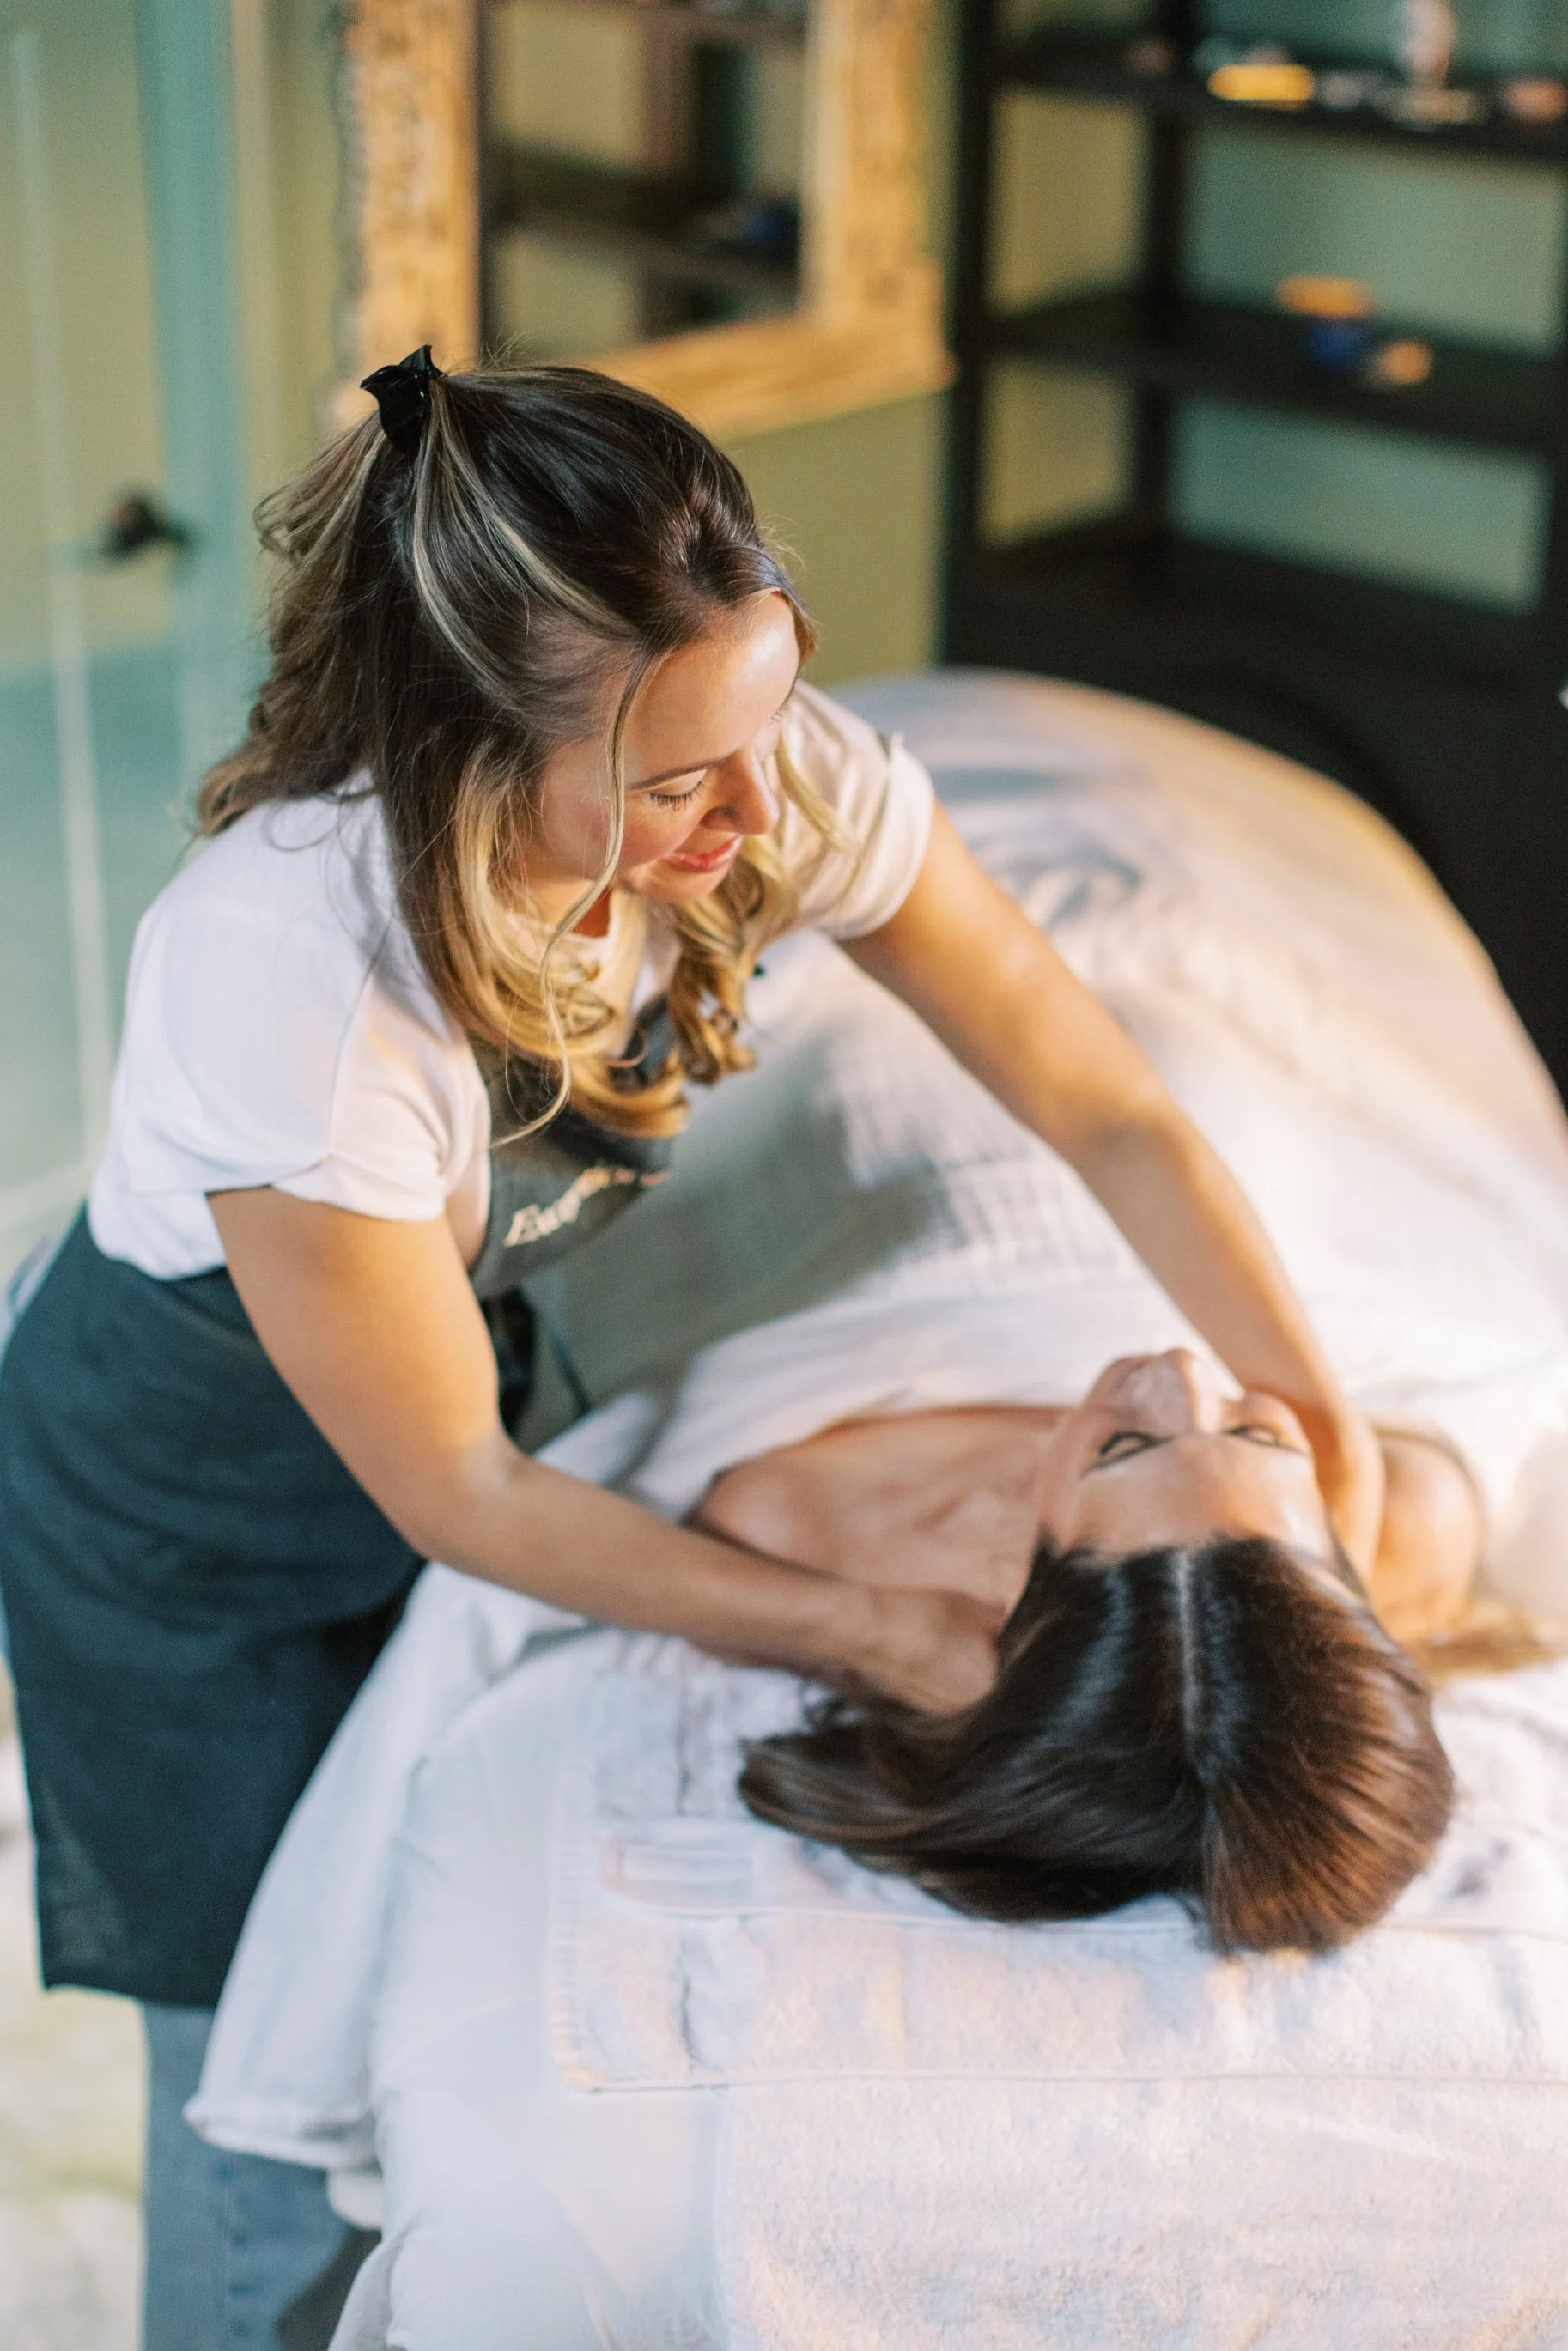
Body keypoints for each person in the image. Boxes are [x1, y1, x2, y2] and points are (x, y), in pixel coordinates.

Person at [0, 354, 1381, 2347]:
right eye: (678, 784)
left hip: (435, 1412)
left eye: (765, 725)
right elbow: (462, 1492)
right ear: (469, 749)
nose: (757, 811)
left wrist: (1305, 1409)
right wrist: (870, 1629)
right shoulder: (288, 982)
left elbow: (1104, 1109)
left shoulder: (752, 773)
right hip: (178, 1528)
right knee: (251, 2062)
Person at [700, 1347, 1462, 1951]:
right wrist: (1337, 1451)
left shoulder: (801, 1525)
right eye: (1256, 1437)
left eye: (1120, 1448)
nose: (1186, 1369)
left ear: (1035, 1581)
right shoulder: (1408, 1520)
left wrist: (872, 1629)